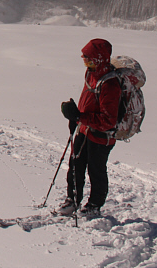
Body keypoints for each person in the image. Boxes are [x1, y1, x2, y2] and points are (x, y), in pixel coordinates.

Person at [58, 38, 121, 217]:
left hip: (102, 136)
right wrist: (76, 117)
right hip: (85, 129)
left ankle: (94, 204)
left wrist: (80, 116)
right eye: (84, 57)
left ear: (99, 58)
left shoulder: (110, 84)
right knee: (75, 165)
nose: (84, 60)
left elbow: (109, 120)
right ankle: (73, 199)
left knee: (96, 170)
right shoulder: (91, 74)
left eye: (88, 57)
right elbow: (88, 100)